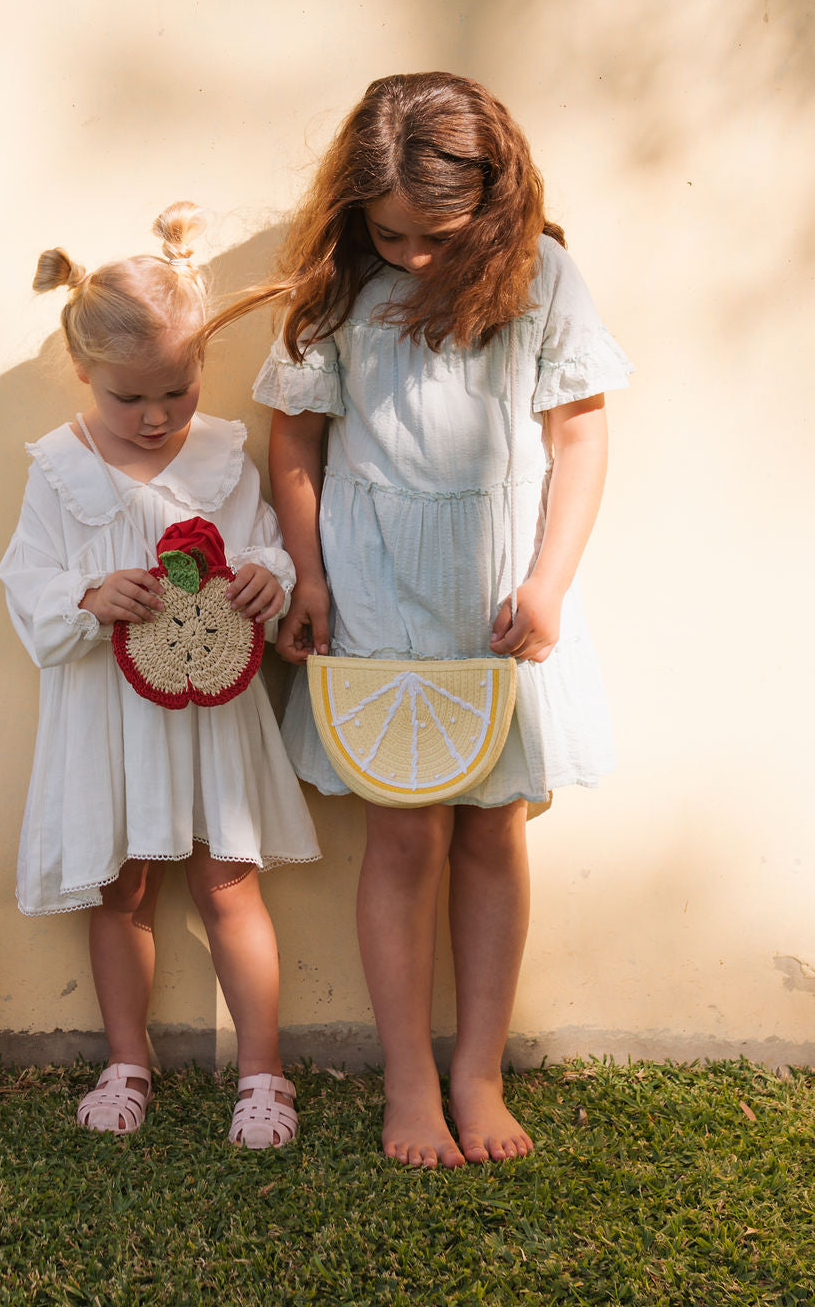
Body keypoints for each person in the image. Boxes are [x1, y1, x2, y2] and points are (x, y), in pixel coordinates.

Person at [200, 73, 633, 1168]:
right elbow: (294, 440)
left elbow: (578, 435)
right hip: (373, 583)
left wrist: (548, 581)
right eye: (394, 233)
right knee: (402, 828)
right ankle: (407, 1079)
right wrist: (306, 575)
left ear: (494, 199)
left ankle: (475, 1070)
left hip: (497, 590)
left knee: (491, 821)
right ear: (356, 210)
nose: (419, 256)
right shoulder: (340, 285)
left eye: (441, 235)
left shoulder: (541, 274)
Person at [0, 203, 319, 1148]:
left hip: (209, 716)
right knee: (122, 889)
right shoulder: (59, 469)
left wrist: (271, 573)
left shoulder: (222, 456)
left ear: (198, 373)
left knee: (230, 881)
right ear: (85, 372)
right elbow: (26, 580)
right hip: (109, 714)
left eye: (175, 393)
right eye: (130, 398)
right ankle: (126, 1058)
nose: (155, 417)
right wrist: (90, 592)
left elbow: (265, 547)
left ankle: (263, 1072)